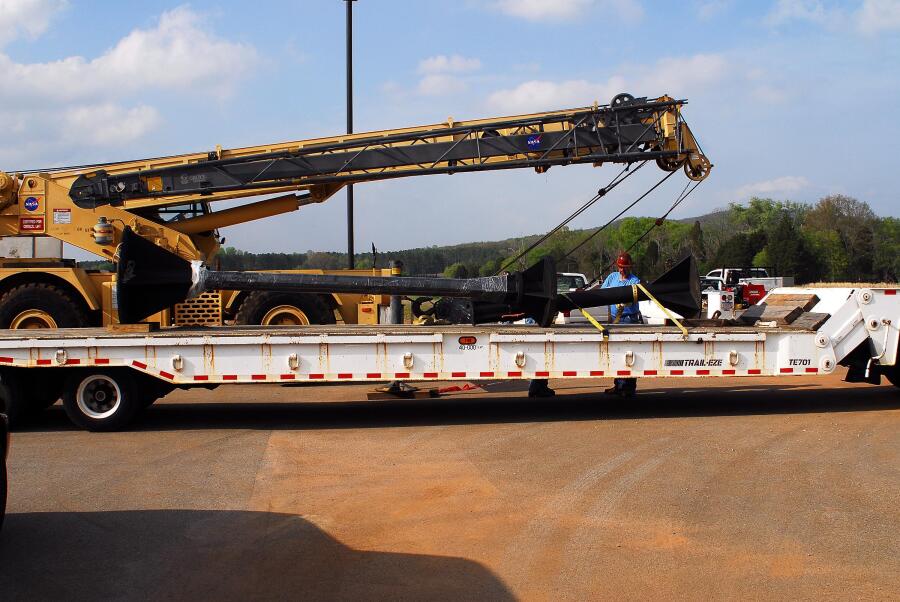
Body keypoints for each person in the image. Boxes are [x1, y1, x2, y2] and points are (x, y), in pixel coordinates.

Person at [602, 251, 642, 397]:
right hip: (614, 320)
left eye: (624, 267)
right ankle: (618, 385)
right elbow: (602, 292)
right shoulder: (612, 278)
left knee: (629, 353)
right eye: (620, 267)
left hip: (629, 320)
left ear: (629, 267)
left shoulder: (635, 281)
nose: (622, 269)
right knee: (616, 353)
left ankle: (628, 387)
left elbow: (633, 299)